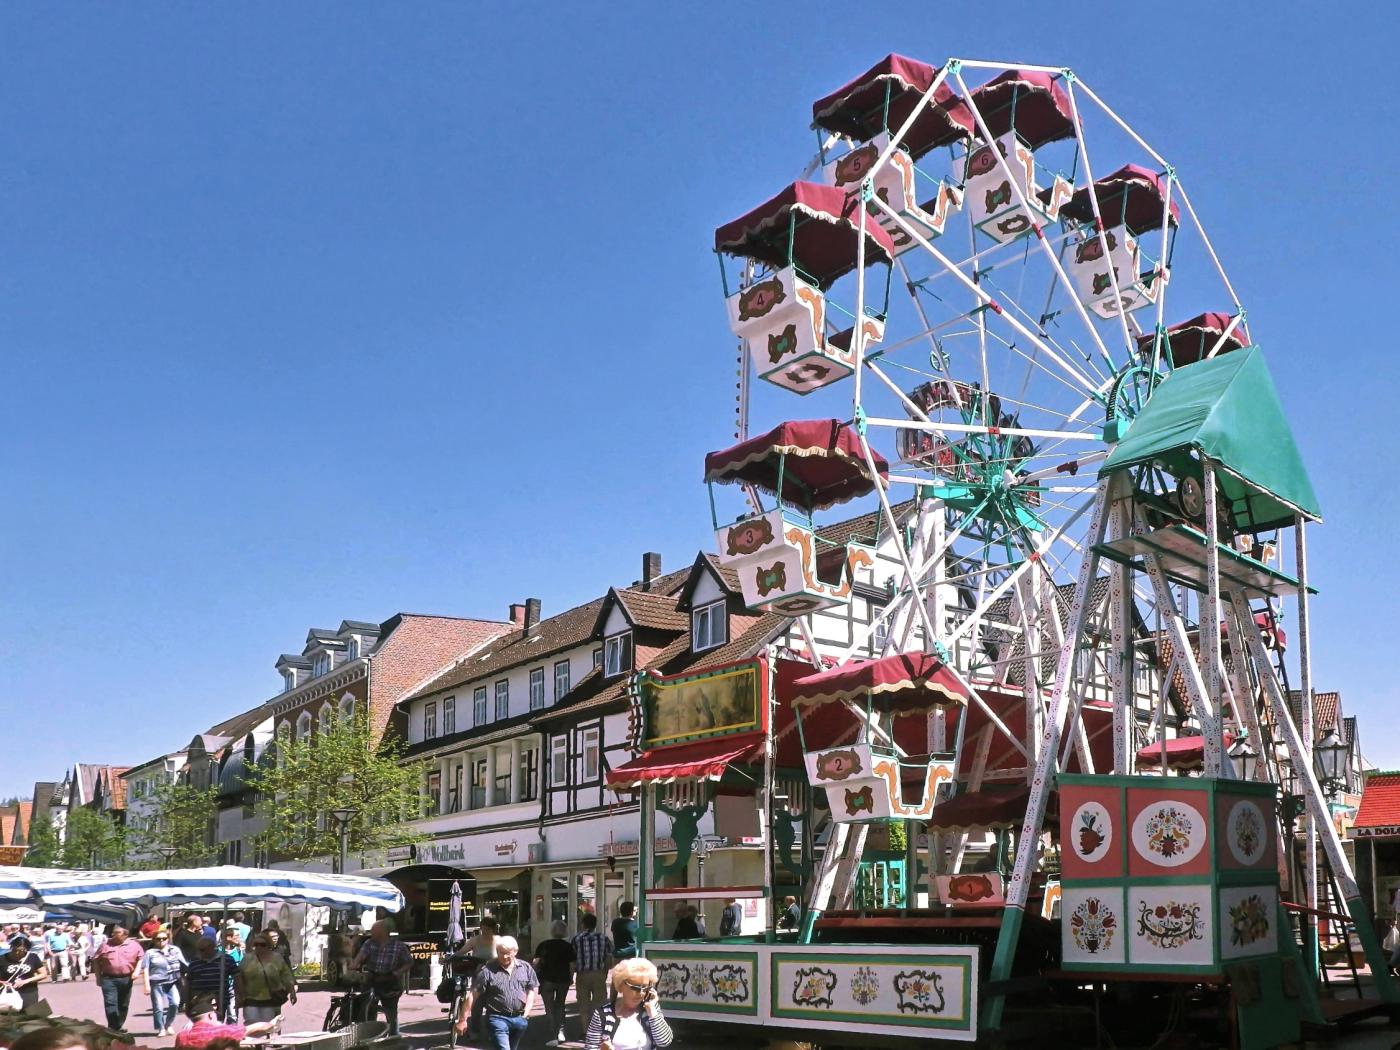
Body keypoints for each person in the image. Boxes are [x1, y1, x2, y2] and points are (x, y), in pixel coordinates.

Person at [454, 937, 538, 1050]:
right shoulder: (487, 970)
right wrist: (463, 1020)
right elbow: (473, 995)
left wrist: (527, 1012)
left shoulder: (526, 968)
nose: (504, 956)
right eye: (500, 953)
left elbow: (531, 990)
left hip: (519, 1019)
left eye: (507, 953)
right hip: (497, 1018)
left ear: (515, 952)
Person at [584, 958, 673, 1050]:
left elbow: (664, 1042)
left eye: (646, 988)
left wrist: (652, 1010)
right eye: (636, 988)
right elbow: (590, 1047)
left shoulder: (649, 1010)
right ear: (621, 985)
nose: (641, 993)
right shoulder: (603, 1014)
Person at [348, 920, 412, 1035]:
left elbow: (409, 962)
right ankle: (367, 1036)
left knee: (391, 1013)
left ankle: (393, 1039)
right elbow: (359, 958)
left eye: (373, 930)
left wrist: (398, 972)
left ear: (381, 932)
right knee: (367, 1009)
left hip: (390, 980)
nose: (371, 933)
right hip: (372, 979)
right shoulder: (369, 943)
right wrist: (354, 963)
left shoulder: (398, 946)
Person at [91, 926, 145, 1032]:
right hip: (108, 978)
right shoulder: (105, 945)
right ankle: (114, 1027)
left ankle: (118, 1024)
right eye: (113, 933)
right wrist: (98, 977)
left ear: (125, 934)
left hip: (126, 978)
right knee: (110, 1002)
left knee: (123, 1004)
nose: (113, 935)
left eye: (117, 933)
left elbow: (141, 958)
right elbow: (96, 960)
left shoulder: (134, 945)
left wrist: (137, 971)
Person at [235, 933, 296, 1024]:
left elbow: (286, 976)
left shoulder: (277, 958)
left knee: (268, 1025)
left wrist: (292, 992)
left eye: (262, 945)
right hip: (250, 999)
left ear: (268, 945)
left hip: (270, 999)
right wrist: (240, 995)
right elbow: (238, 976)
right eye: (256, 945)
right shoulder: (247, 959)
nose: (259, 947)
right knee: (251, 1023)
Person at [571, 911, 613, 1038]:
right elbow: (608, 958)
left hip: (583, 974)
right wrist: (605, 972)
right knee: (599, 1003)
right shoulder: (603, 938)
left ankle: (585, 1031)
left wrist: (571, 975)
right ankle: (598, 1030)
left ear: (583, 924)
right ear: (595, 925)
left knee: (583, 1004)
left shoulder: (576, 939)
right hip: (598, 973)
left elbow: (572, 960)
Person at [532, 921, 575, 1043]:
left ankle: (552, 1033)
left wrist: (533, 976)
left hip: (546, 979)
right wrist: (571, 977)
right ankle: (561, 1031)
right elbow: (572, 964)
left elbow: (536, 962)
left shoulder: (544, 945)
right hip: (563, 979)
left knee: (549, 1007)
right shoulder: (568, 946)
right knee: (560, 1005)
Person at [137, 928, 186, 1037]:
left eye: (164, 938)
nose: (162, 941)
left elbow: (184, 963)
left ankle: (168, 1023)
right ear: (154, 940)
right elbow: (145, 969)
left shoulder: (174, 949)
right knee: (158, 1007)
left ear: (168, 939)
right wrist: (146, 985)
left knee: (175, 1003)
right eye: (159, 939)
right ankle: (161, 1028)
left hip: (172, 981)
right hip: (156, 982)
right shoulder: (150, 953)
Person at [183, 937, 235, 1024]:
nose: (200, 952)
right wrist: (187, 1002)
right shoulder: (194, 963)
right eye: (199, 950)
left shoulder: (226, 959)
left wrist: (239, 996)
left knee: (217, 1022)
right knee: (202, 1023)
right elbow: (188, 983)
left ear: (212, 948)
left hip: (220, 999)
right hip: (200, 999)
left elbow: (237, 977)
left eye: (203, 950)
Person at [172, 1009, 278, 1050]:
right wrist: (271, 1024)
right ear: (210, 1016)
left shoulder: (181, 1036)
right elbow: (255, 1027)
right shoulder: (221, 1032)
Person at [0, 934, 49, 1011]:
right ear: (11, 947)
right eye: (15, 950)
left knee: (30, 1015)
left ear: (27, 949)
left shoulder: (33, 957)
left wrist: (25, 981)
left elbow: (43, 974)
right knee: (9, 1015)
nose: (17, 953)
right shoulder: (2, 959)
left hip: (29, 991)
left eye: (21, 951)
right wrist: (2, 982)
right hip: (8, 992)